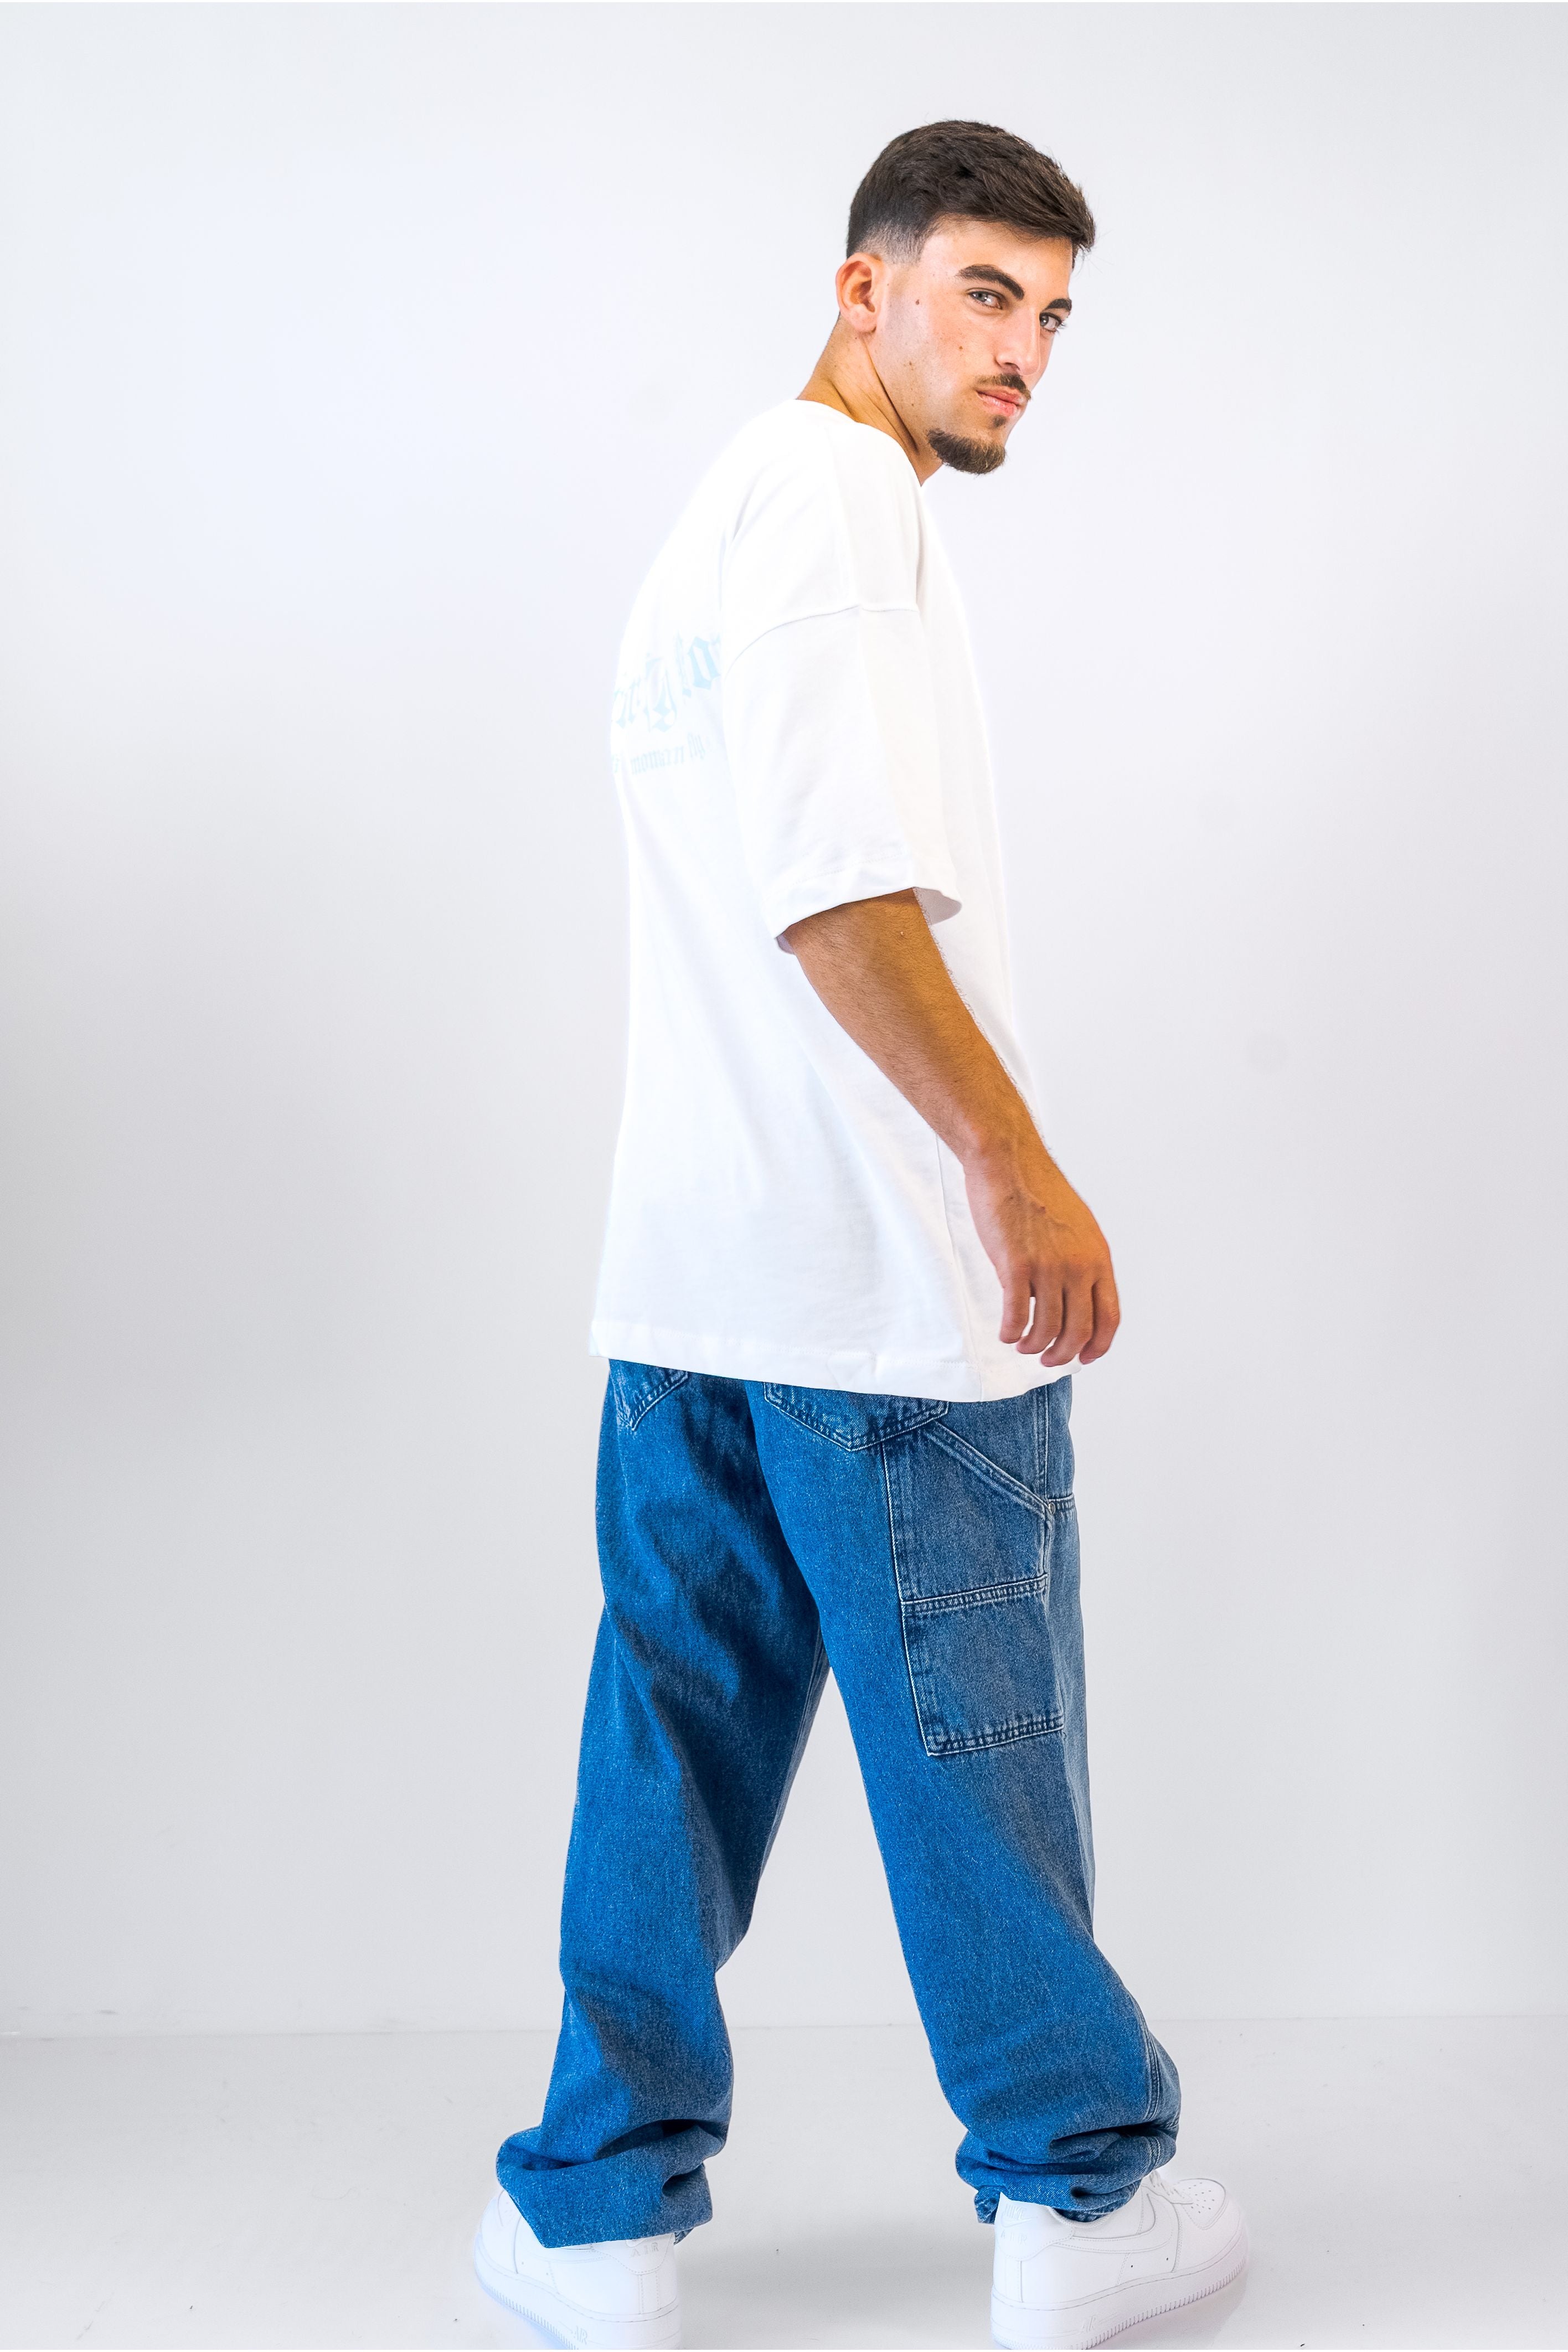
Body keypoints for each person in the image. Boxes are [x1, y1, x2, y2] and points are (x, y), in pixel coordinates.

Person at [473, 120, 1247, 2352]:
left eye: (1054, 316)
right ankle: (1078, 2200)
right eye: (985, 293)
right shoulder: (831, 501)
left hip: (695, 1275)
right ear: (863, 286)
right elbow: (833, 892)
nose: (1026, 353)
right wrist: (1015, 1166)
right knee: (976, 1755)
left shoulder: (724, 510)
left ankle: (598, 2219)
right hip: (878, 1291)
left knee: (670, 1750)